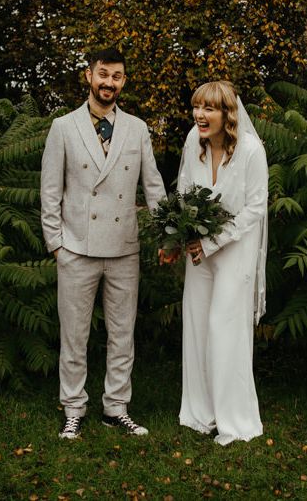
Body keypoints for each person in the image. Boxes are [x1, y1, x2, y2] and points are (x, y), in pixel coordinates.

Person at [40, 46, 166, 439]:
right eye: (103, 74)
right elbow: (49, 192)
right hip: (76, 249)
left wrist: (169, 232)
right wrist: (57, 246)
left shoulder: (138, 128)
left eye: (116, 76)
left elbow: (154, 186)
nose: (109, 82)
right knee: (74, 336)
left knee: (122, 333)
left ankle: (116, 407)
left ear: (123, 81)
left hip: (124, 248)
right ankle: (74, 408)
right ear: (89, 75)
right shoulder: (63, 127)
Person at [171, 80, 268, 445]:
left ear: (228, 114)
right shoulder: (192, 142)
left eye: (209, 108)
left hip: (234, 249)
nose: (200, 115)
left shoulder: (250, 150)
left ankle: (235, 420)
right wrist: (180, 235)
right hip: (198, 249)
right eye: (197, 106)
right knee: (196, 324)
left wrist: (212, 241)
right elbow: (183, 191)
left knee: (223, 329)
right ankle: (200, 413)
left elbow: (255, 208)